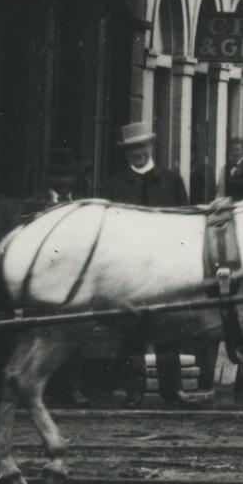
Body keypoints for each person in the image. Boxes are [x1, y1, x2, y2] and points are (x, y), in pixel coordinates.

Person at [99, 120, 203, 404]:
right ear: (125, 153)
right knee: (131, 328)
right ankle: (134, 391)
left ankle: (172, 389)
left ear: (151, 146)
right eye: (132, 148)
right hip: (129, 269)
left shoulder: (171, 181)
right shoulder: (113, 187)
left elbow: (187, 225)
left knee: (169, 325)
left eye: (142, 146)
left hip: (165, 268)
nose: (138, 152)